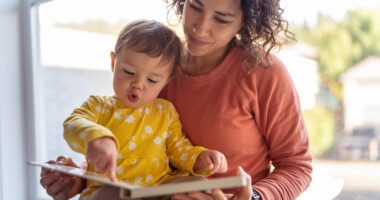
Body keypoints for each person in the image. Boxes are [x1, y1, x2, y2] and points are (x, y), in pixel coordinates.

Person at [40, 0, 313, 199]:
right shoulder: (155, 68)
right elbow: (136, 148)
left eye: (221, 18)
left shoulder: (264, 72)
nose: (200, 28)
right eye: (195, 5)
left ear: (246, 21)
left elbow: (297, 167)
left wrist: (254, 197)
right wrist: (79, 177)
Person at [56, 19, 228, 200]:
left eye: (152, 80)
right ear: (114, 63)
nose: (138, 85)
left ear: (166, 81)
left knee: (198, 183)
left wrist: (200, 158)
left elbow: (178, 149)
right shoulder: (98, 106)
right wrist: (97, 138)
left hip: (158, 188)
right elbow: (72, 124)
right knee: (107, 194)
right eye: (129, 72)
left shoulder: (165, 111)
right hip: (112, 187)